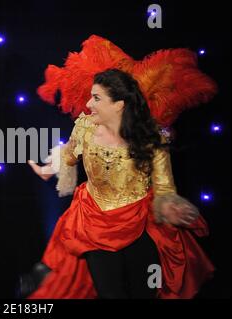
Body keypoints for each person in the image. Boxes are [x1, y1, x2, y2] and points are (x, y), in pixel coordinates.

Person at [24, 35, 217, 299]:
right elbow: (69, 156)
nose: (88, 103)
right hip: (93, 223)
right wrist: (48, 169)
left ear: (119, 104)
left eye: (96, 98)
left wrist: (169, 205)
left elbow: (163, 187)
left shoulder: (152, 138)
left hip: (139, 225)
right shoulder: (84, 127)